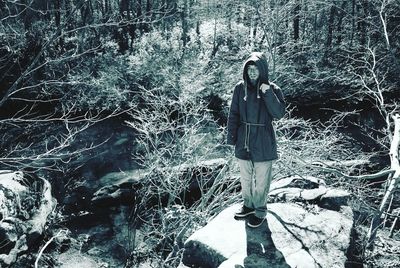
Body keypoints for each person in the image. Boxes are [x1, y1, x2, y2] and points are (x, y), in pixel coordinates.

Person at [227, 52, 286, 228]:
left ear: (262, 70)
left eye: (256, 69)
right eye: (249, 69)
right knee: (245, 178)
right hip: (243, 138)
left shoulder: (272, 89)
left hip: (263, 140)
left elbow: (279, 114)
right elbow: (233, 114)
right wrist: (231, 138)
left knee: (261, 180)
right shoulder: (240, 88)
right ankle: (248, 206)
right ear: (246, 70)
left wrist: (267, 93)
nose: (252, 72)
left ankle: (260, 210)